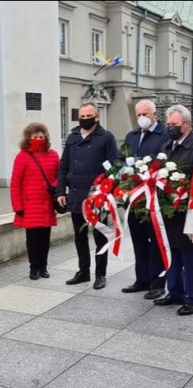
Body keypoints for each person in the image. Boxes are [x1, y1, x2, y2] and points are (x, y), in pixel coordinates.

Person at [56, 100, 118, 290]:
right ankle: (83, 271)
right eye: (81, 117)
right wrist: (60, 191)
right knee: (79, 236)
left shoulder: (106, 137)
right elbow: (63, 165)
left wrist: (106, 190)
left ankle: (100, 274)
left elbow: (113, 167)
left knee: (100, 235)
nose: (84, 119)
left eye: (88, 116)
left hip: (96, 196)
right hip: (75, 194)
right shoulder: (73, 137)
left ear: (96, 116)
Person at [121, 99, 170, 300]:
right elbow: (122, 159)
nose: (142, 118)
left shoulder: (164, 135)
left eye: (146, 114)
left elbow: (166, 162)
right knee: (139, 241)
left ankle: (157, 283)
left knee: (156, 241)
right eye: (139, 114)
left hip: (154, 199)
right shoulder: (132, 136)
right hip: (134, 198)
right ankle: (141, 280)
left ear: (154, 115)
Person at [153, 104, 193, 316]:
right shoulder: (167, 144)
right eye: (168, 124)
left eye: (174, 124)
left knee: (189, 256)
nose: (170, 128)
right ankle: (175, 291)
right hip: (168, 210)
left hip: (187, 212)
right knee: (172, 253)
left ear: (186, 125)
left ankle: (191, 297)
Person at [10, 122, 60, 280]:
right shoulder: (23, 156)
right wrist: (17, 206)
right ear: (28, 138)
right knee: (32, 240)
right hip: (29, 206)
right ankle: (33, 268)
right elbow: (15, 183)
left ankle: (43, 267)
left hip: (46, 205)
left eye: (41, 136)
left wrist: (55, 187)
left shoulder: (53, 155)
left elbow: (60, 176)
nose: (39, 139)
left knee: (45, 240)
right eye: (35, 137)